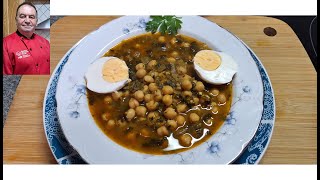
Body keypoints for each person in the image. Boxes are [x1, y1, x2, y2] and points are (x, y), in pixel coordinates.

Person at [3, 2, 50, 75]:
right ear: (16, 20)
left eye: (31, 17)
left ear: (36, 22)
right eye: (22, 16)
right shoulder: (5, 44)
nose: (27, 21)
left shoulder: (46, 43)